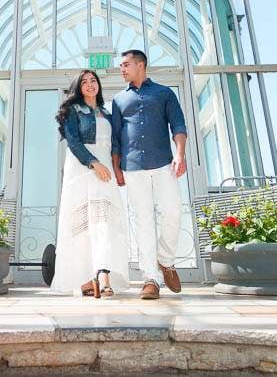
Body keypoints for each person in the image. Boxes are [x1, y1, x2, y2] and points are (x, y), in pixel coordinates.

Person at [111, 49, 187, 300]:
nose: (121, 69)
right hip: (133, 168)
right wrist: (117, 167)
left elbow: (178, 125)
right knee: (143, 221)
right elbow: (116, 138)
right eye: (121, 66)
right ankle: (150, 278)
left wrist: (180, 154)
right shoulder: (119, 100)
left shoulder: (164, 93)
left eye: (125, 65)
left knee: (173, 211)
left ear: (141, 65)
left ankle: (165, 260)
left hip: (163, 163)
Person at [50, 69, 130, 298]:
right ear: (78, 87)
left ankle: (104, 275)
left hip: (105, 171)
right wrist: (94, 163)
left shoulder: (107, 113)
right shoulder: (72, 110)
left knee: (104, 224)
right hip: (83, 169)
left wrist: (115, 169)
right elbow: (73, 143)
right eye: (84, 81)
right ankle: (85, 279)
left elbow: (115, 145)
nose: (90, 84)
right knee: (83, 227)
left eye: (93, 80)